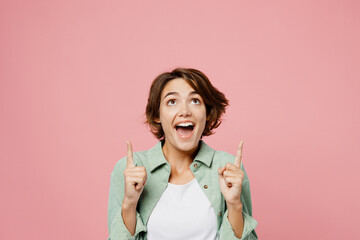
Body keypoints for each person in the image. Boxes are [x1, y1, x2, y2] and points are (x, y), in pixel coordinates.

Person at [108, 68, 258, 240]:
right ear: (157, 115)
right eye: (172, 102)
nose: (185, 111)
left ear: (207, 113)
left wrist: (234, 205)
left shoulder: (229, 168)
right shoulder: (130, 170)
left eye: (195, 101)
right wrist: (129, 204)